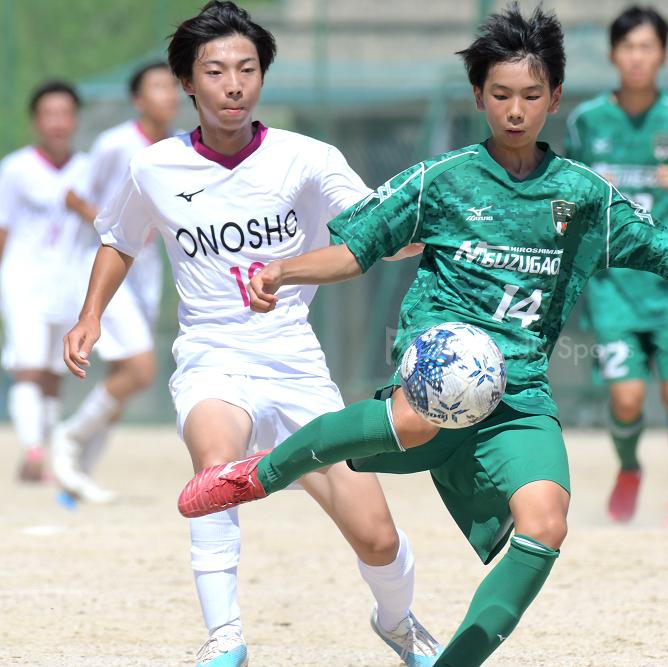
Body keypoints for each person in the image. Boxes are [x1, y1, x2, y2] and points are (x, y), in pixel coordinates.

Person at [164, 5, 668, 665]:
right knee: (425, 410)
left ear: (554, 98)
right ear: (478, 97)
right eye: (500, 94)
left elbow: (663, 251)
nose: (515, 110)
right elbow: (357, 249)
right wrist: (285, 268)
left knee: (546, 523)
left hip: (519, 390)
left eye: (530, 96)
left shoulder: (582, 195)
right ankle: (260, 473)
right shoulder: (443, 179)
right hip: (440, 356)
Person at [61, 3, 440, 666]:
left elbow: (374, 231)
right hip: (211, 359)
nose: (233, 85)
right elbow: (120, 240)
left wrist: (422, 234)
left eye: (247, 69)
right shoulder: (154, 168)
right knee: (215, 469)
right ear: (187, 82)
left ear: (262, 76)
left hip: (295, 366)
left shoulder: (308, 159)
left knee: (376, 537)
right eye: (215, 71)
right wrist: (91, 313)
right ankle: (225, 638)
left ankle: (398, 622)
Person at [565, 6, 668, 529]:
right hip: (612, 288)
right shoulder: (586, 120)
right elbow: (564, 192)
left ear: (662, 54)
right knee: (627, 398)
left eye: (647, 47)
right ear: (613, 54)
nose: (637, 57)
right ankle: (630, 469)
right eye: (628, 47)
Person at [52, 61, 180, 503]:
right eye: (158, 86)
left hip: (145, 275)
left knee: (122, 375)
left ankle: (78, 475)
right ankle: (69, 437)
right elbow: (73, 196)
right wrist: (117, 226)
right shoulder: (114, 144)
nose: (169, 94)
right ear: (138, 100)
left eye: (173, 86)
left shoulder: (179, 148)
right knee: (141, 369)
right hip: (105, 265)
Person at [0, 81, 92, 483]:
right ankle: (33, 451)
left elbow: (108, 223)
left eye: (65, 114)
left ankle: (43, 452)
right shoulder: (16, 169)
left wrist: (81, 207)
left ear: (75, 120)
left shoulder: (88, 169)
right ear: (36, 121)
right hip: (23, 281)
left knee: (55, 373)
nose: (58, 123)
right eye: (49, 114)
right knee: (29, 368)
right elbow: (3, 228)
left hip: (69, 284)